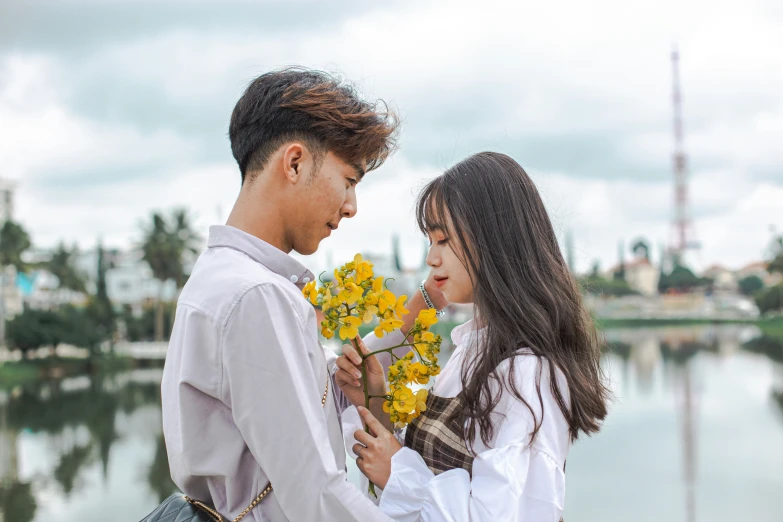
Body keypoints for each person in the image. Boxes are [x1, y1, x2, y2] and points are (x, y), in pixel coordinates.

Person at [161, 67, 403, 521]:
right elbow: (315, 495)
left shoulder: (218, 277)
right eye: (349, 180)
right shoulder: (256, 295)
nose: (351, 207)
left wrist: (334, 383)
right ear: (294, 163)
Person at [336, 152, 611, 521]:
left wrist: (397, 473)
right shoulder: (474, 350)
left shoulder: (525, 373)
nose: (431, 258)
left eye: (443, 240)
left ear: (494, 240)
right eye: (430, 242)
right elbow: (432, 468)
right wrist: (376, 403)